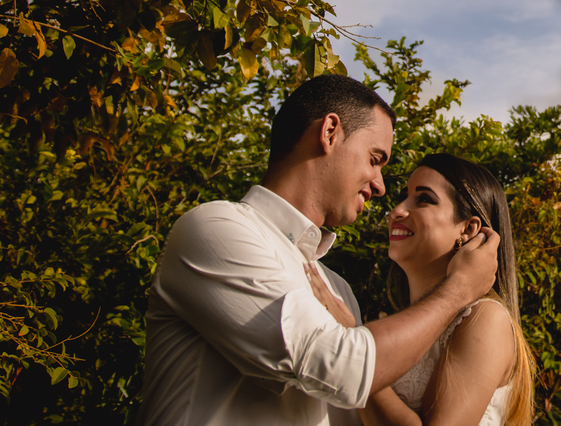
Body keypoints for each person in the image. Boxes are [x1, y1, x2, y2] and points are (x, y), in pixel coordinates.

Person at [137, 75, 500, 426]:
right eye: (375, 159)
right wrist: (458, 290)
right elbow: (341, 367)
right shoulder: (216, 228)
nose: (380, 187)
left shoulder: (338, 290)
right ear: (329, 133)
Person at [309, 153, 534, 426]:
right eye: (403, 197)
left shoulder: (485, 318)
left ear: (468, 229)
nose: (397, 211)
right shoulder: (397, 322)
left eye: (424, 199)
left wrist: (355, 353)